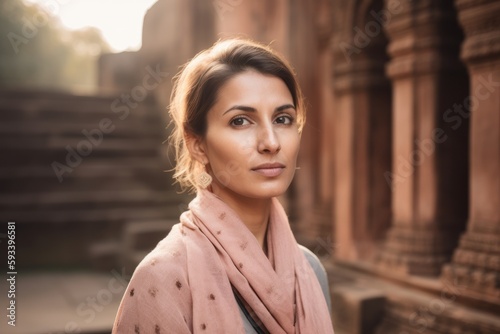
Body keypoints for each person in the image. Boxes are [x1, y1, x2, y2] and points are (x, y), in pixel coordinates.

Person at [112, 38, 334, 334]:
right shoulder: (164, 278)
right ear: (198, 145)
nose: (271, 142)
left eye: (283, 119)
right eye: (241, 121)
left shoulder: (310, 270)